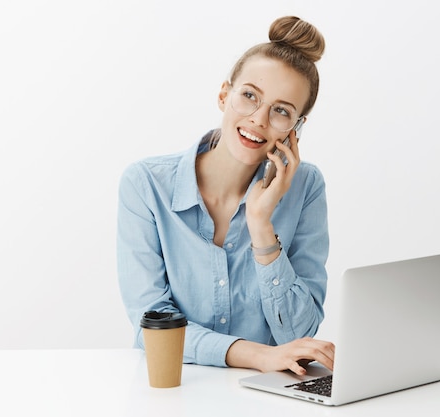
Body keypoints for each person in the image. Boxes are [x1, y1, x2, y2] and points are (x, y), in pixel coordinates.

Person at [117, 16, 334, 376]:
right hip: (175, 390)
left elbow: (298, 335)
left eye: (281, 111)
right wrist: (258, 355)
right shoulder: (146, 185)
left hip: (269, 397)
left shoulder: (306, 187)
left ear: (297, 129)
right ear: (224, 95)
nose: (259, 120)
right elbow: (151, 326)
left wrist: (261, 225)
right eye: (249, 96)